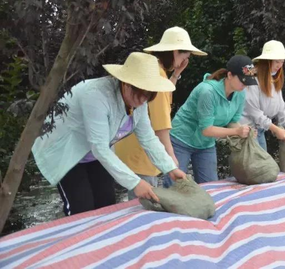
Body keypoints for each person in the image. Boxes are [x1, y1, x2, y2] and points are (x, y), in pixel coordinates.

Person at [31, 52, 187, 216]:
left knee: (106, 204)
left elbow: (148, 139)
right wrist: (135, 183)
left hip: (94, 154)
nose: (143, 101)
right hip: (67, 152)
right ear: (127, 84)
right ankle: (82, 240)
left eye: (148, 96)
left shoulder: (139, 103)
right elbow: (99, 146)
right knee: (81, 210)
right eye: (141, 94)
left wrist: (169, 168)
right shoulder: (95, 95)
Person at [114, 27, 206, 199]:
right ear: (174, 52)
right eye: (184, 57)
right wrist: (171, 157)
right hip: (142, 154)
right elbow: (161, 125)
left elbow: (162, 98)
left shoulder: (153, 70)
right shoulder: (159, 77)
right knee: (144, 207)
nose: (183, 62)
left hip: (127, 146)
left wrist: (176, 74)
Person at [165, 55, 257, 186]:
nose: (245, 85)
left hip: (206, 144)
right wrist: (237, 131)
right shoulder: (207, 91)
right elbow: (207, 129)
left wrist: (244, 131)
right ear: (230, 75)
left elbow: (233, 121)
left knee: (211, 186)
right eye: (243, 80)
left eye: (248, 81)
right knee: (174, 186)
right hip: (181, 139)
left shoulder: (240, 94)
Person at [240, 40, 285, 151]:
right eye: (277, 61)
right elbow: (253, 111)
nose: (280, 65)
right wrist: (275, 129)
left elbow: (281, 108)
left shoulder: (273, 78)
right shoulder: (251, 76)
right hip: (246, 130)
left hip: (260, 129)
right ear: (267, 61)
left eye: (282, 62)